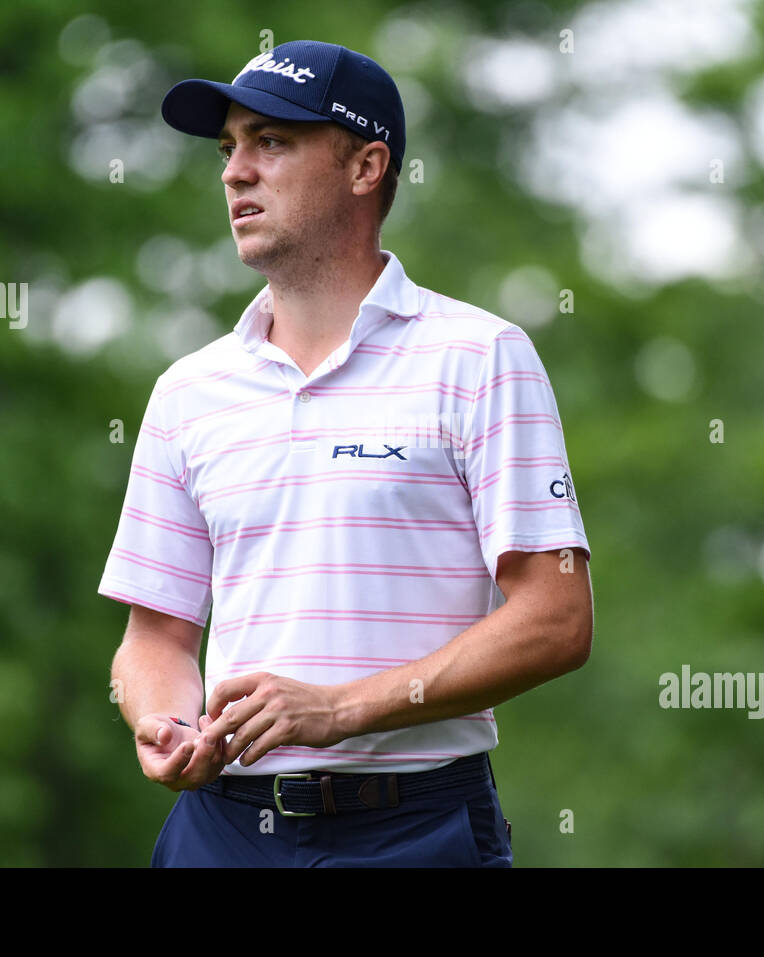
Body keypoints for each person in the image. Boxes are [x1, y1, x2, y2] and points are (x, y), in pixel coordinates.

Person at [98, 39, 593, 867]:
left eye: (271, 142)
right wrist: (165, 722)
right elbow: (155, 638)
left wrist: (336, 709)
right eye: (228, 149)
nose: (234, 172)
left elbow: (557, 618)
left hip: (415, 827)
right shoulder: (187, 390)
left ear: (367, 167)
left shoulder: (482, 357)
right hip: (220, 832)